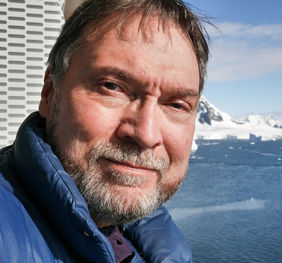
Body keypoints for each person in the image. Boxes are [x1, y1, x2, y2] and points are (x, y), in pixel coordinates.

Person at [0, 0, 209, 262]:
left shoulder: (165, 248)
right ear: (50, 92)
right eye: (112, 86)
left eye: (177, 104)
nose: (146, 133)